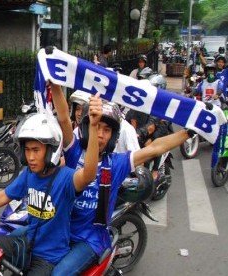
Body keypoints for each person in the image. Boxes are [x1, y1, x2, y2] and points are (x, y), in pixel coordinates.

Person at [50, 83, 195, 275]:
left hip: (90, 239)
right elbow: (63, 119)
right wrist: (55, 85)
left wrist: (188, 132)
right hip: (61, 228)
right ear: (87, 127)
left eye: (106, 130)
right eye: (97, 127)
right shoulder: (73, 150)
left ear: (113, 136)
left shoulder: (117, 163)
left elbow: (155, 148)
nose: (100, 135)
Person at [0, 95, 101, 275]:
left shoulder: (66, 179)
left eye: (36, 150)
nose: (31, 157)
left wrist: (94, 127)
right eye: (27, 150)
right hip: (27, 246)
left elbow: (89, 174)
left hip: (47, 258)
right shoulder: (29, 174)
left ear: (50, 152)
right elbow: (3, 196)